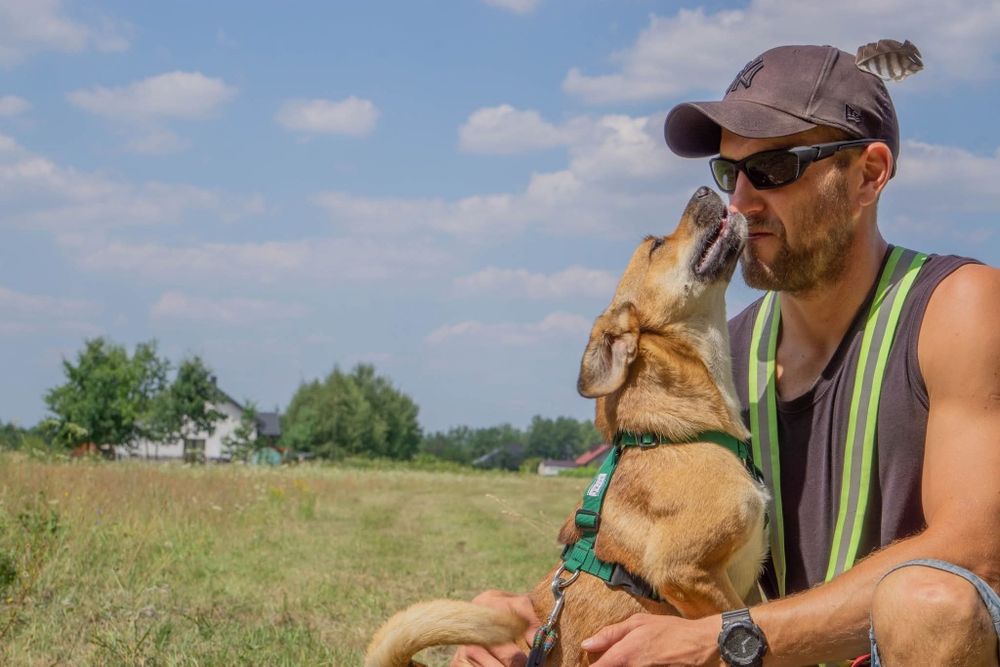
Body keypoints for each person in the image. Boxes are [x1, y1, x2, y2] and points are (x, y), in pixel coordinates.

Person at [452, 44, 1000, 667]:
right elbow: (638, 544)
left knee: (929, 605)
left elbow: (975, 553)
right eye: (728, 172)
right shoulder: (725, 358)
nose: (739, 203)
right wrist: (525, 617)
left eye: (773, 168)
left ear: (869, 175)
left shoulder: (958, 309)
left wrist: (729, 638)